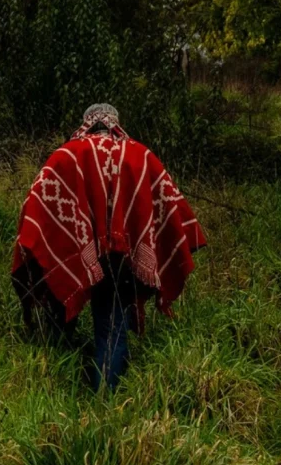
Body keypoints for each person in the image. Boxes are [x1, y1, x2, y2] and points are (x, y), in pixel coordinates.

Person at [12, 104, 206, 390]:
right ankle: (105, 398)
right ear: (115, 122)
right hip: (123, 258)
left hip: (74, 254)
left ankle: (52, 386)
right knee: (112, 329)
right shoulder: (141, 156)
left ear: (87, 123)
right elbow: (170, 205)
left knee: (61, 314)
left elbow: (35, 206)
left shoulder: (66, 155)